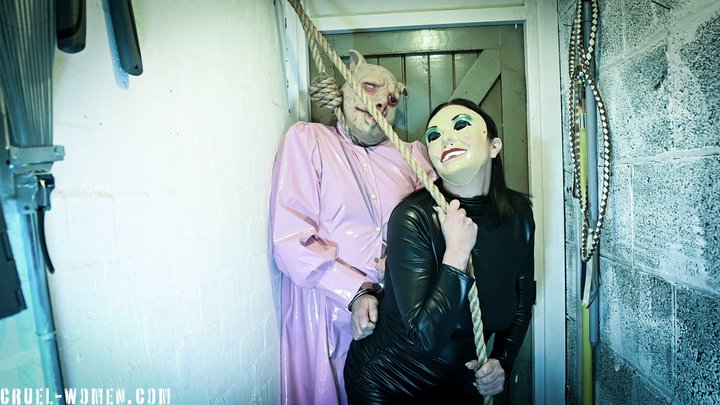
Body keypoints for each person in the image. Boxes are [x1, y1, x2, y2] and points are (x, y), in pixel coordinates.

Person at [270, 50, 436, 405]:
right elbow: (291, 241)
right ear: (344, 89)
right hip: (324, 315)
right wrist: (355, 292)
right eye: (370, 87)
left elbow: (439, 226)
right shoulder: (309, 141)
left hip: (394, 322)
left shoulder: (411, 158)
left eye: (392, 99)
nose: (382, 101)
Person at [344, 98, 536, 403]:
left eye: (460, 125)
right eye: (434, 135)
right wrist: (456, 254)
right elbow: (425, 338)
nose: (445, 138)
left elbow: (523, 299)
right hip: (386, 384)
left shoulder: (519, 216)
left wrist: (503, 360)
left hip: (458, 387)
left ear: (494, 146)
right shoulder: (413, 217)